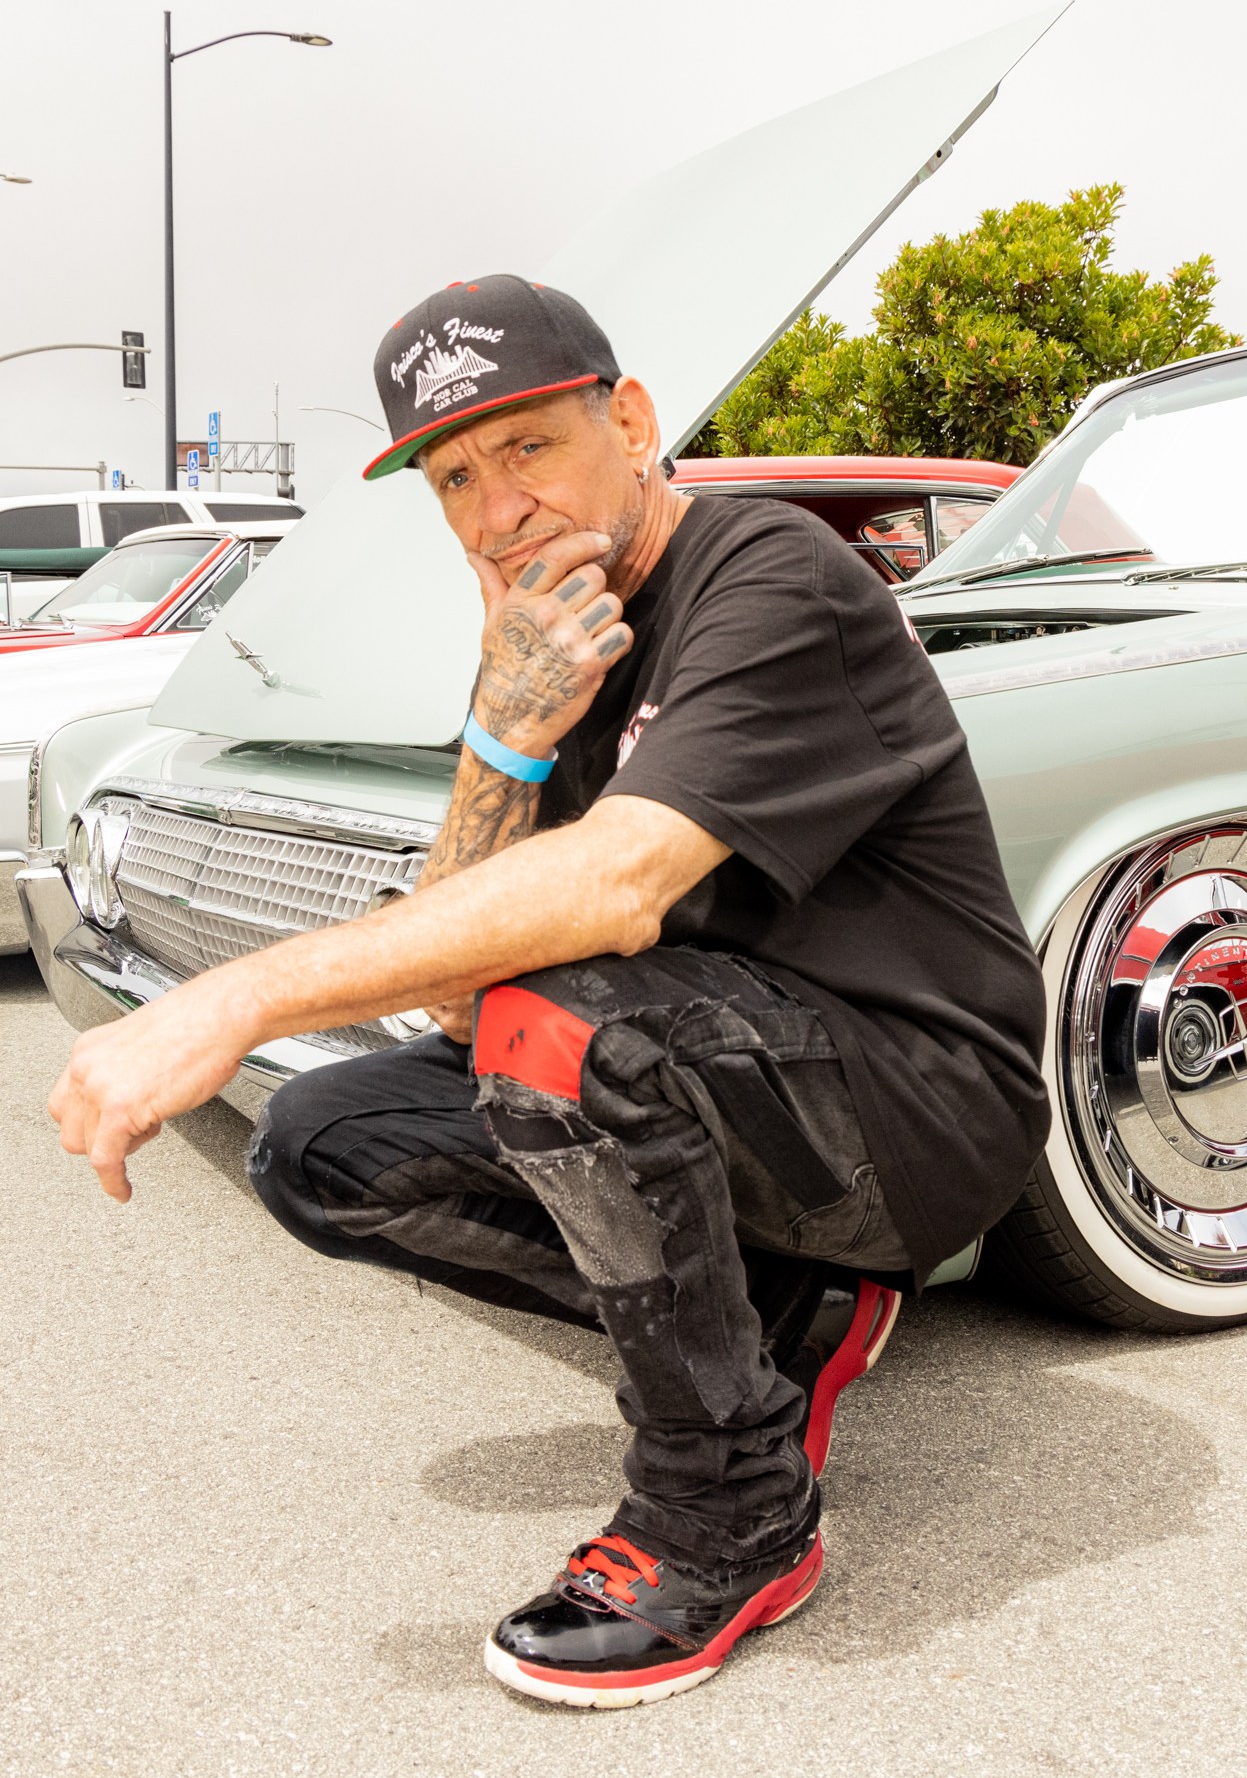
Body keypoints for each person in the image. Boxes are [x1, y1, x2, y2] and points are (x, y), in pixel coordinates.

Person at [45, 275, 1050, 1708]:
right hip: (722, 1071)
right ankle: (782, 1313)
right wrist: (503, 738)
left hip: (919, 1109)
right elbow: (463, 1012)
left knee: (571, 1023)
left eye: (528, 447)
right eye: (453, 475)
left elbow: (615, 889)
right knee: (322, 1146)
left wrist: (230, 1000)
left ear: (630, 421)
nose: (493, 507)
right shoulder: (557, 637)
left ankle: (730, 1509)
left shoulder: (773, 581)